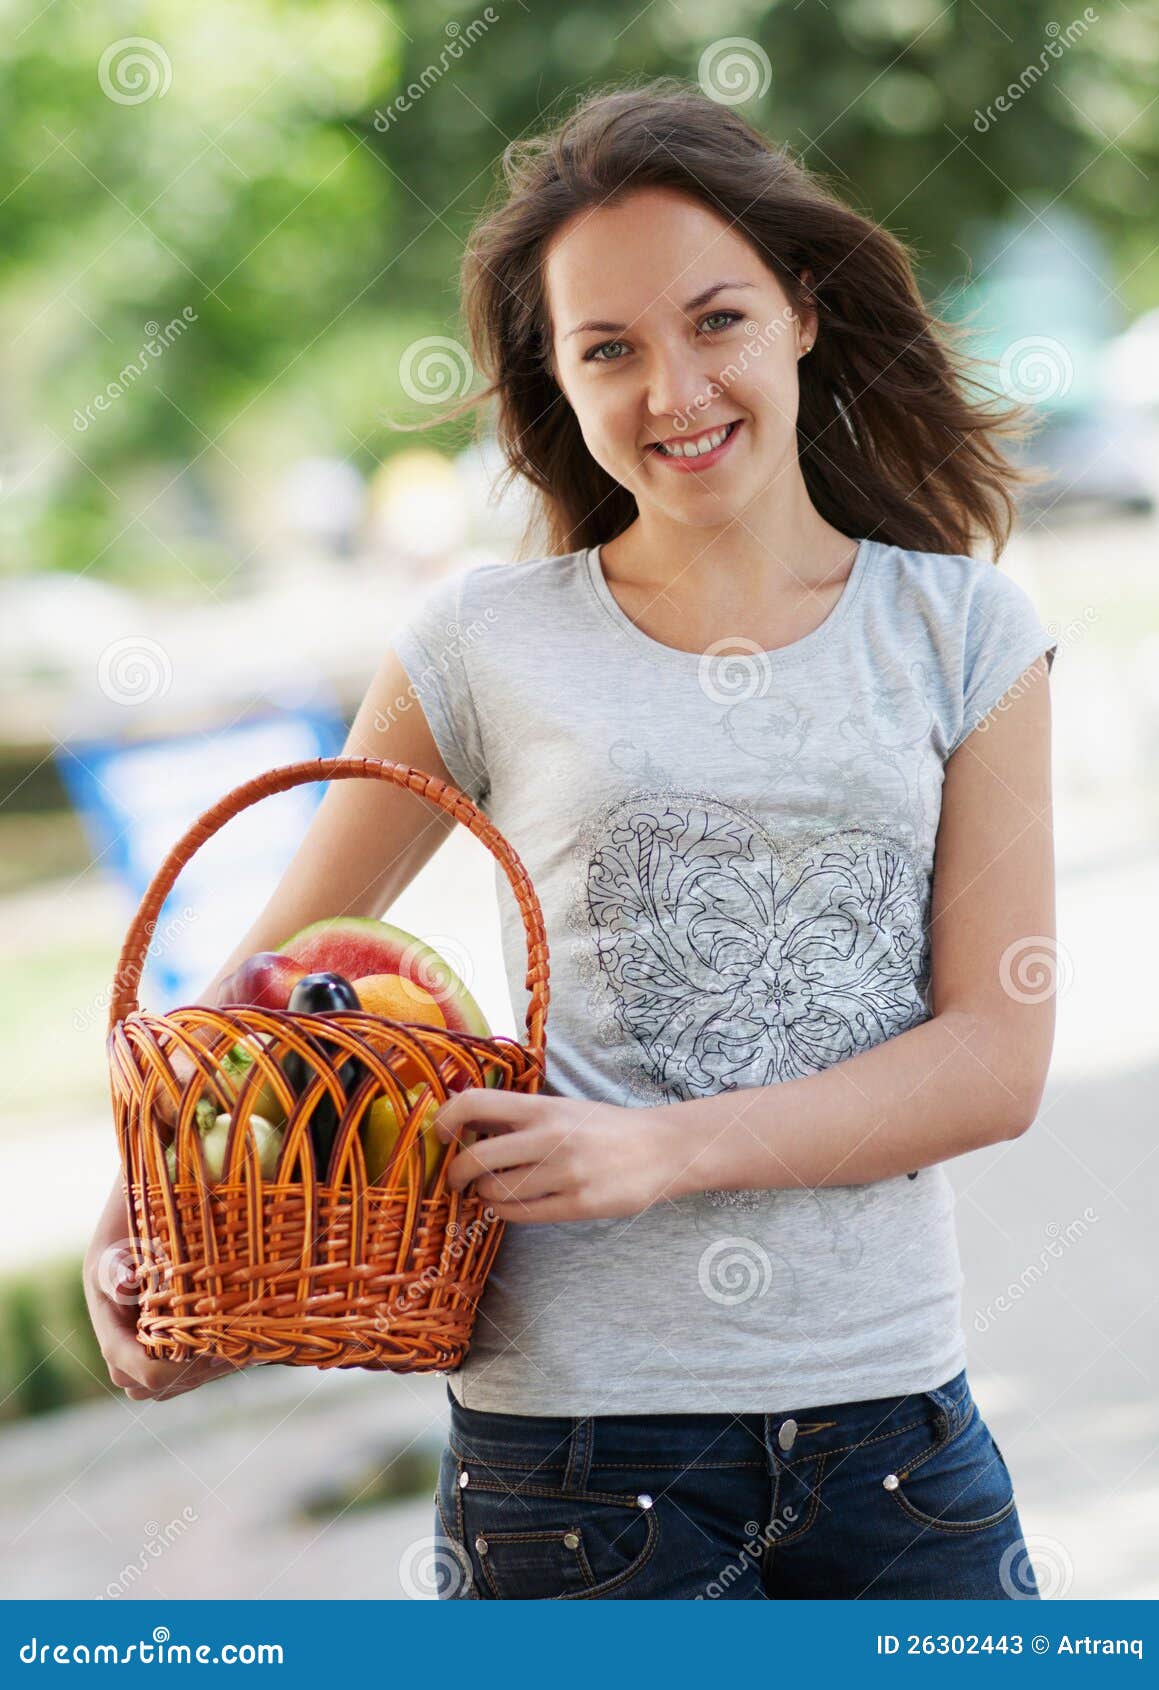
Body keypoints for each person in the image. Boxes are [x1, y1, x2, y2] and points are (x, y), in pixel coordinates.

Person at [85, 77, 1057, 1601]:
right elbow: (266, 989)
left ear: (802, 312)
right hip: (574, 1466)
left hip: (893, 1450)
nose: (674, 388)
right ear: (561, 373)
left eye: (715, 319)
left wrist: (654, 1153)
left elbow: (997, 1053)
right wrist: (145, 1226)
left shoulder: (964, 632)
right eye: (610, 348)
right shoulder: (480, 641)